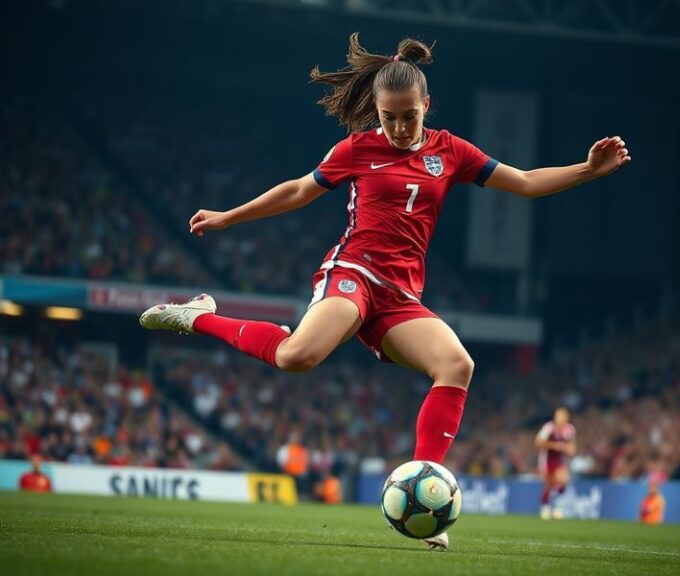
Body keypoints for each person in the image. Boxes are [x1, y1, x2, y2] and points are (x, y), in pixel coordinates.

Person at [140, 33, 630, 549]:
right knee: (296, 357)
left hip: (400, 296)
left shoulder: (451, 151)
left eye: (408, 116)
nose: (398, 127)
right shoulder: (357, 148)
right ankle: (198, 315)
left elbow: (525, 183)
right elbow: (299, 190)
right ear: (376, 111)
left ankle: (425, 491)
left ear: (426, 106)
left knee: (457, 365)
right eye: (388, 117)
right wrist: (228, 216)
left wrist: (587, 170)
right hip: (354, 271)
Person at [535, 407, 576, 519]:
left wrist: (570, 449)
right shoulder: (549, 427)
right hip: (547, 458)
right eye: (558, 416)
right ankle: (545, 507)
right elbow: (538, 441)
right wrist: (555, 446)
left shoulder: (570, 429)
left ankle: (557, 507)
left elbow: (571, 445)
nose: (560, 418)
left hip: (560, 459)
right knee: (550, 483)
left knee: (563, 481)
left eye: (562, 416)